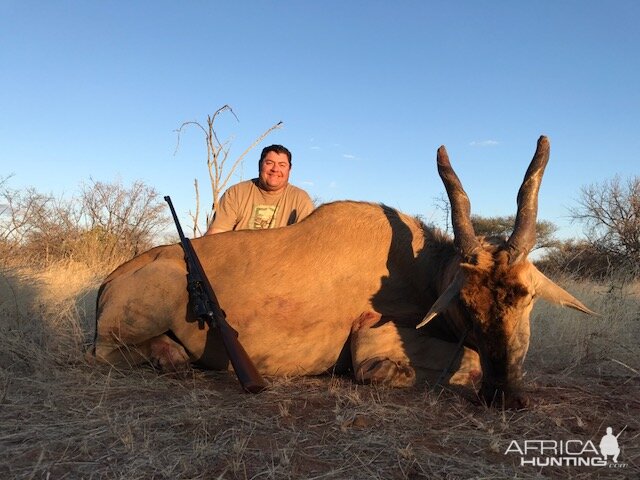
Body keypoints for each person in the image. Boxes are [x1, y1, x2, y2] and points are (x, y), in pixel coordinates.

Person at [205, 144, 314, 234]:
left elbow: (307, 239)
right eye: (269, 163)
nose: (275, 169)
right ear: (259, 165)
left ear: (289, 169)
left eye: (282, 165)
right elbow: (216, 234)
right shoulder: (236, 193)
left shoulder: (301, 199)